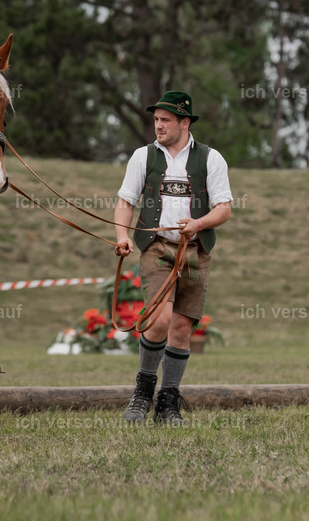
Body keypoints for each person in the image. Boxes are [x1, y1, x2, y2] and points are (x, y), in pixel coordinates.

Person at [114, 91, 233, 425]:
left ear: (185, 122)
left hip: (196, 250)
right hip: (156, 247)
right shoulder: (143, 156)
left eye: (165, 120)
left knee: (182, 329)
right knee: (160, 320)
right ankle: (142, 392)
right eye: (155, 120)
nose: (158, 126)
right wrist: (123, 236)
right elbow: (125, 201)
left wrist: (199, 223)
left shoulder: (211, 159)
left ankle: (168, 403)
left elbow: (223, 209)